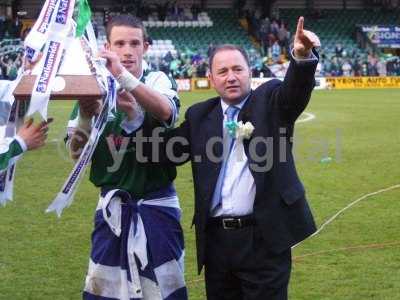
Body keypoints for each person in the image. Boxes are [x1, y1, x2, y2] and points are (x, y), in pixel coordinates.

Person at [144, 16, 319, 299]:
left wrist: (301, 57)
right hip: (217, 243)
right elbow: (163, 150)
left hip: (263, 239)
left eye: (238, 69)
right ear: (210, 78)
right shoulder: (200, 115)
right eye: (222, 71)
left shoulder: (271, 100)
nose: (231, 76)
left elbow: (295, 93)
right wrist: (123, 125)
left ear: (250, 72)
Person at [66, 15, 186, 299]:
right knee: (104, 289)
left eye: (135, 43)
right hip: (112, 208)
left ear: (145, 46)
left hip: (157, 206)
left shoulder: (156, 79)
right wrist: (85, 113)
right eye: (119, 43)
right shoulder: (91, 86)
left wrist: (123, 78)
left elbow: (166, 112)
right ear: (108, 46)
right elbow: (75, 152)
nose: (128, 50)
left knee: (163, 290)